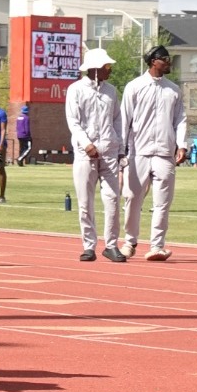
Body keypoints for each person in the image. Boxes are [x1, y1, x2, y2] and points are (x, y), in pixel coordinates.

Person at [121, 44, 188, 262]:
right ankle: (129, 241)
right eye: (165, 59)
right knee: (132, 198)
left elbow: (180, 120)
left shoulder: (173, 90)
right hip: (138, 152)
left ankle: (157, 245)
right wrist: (121, 150)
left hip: (165, 153)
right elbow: (124, 120)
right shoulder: (134, 87)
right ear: (153, 62)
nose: (168, 63)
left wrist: (182, 145)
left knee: (162, 202)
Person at [65, 48, 125, 262]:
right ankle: (89, 245)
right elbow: (73, 121)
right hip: (85, 154)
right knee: (85, 202)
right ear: (95, 68)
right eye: (106, 66)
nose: (110, 69)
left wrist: (120, 149)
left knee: (112, 199)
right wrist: (86, 143)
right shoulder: (75, 90)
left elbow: (118, 120)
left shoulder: (111, 91)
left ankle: (111, 245)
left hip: (109, 151)